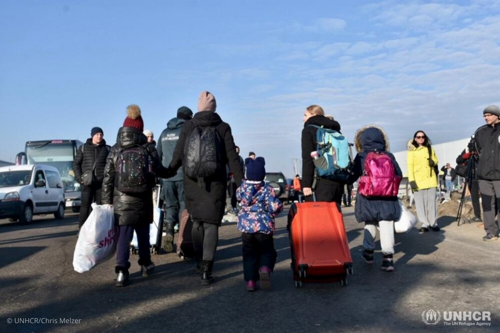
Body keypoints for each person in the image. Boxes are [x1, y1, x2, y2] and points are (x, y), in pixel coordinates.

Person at [165, 91, 244, 285]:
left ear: (199, 106)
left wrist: (165, 172)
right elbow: (232, 158)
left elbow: (178, 156)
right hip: (215, 183)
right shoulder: (223, 127)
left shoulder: (188, 126)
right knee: (211, 225)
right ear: (214, 107)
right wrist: (242, 184)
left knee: (197, 222)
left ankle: (199, 261)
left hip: (191, 182)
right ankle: (207, 270)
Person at [101, 104, 164, 287]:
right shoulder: (147, 147)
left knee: (124, 235)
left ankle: (122, 271)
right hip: (143, 198)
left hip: (121, 200)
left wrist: (106, 202)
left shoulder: (115, 148)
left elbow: (108, 177)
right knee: (143, 233)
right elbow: (158, 171)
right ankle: (145, 264)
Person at [350, 125, 402, 272]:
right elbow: (399, 174)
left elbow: (353, 175)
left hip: (368, 197)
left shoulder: (361, 156)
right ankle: (388, 260)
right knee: (386, 225)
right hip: (387, 197)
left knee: (370, 223)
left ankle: (368, 253)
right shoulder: (389, 156)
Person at [236, 156, 283, 291]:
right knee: (267, 251)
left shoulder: (241, 189)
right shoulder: (267, 189)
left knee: (249, 254)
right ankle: (264, 268)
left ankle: (251, 281)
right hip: (263, 227)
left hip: (246, 228)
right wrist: (273, 212)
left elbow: (238, 200)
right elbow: (274, 207)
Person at [156, 106, 193, 252]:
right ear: (188, 118)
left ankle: (169, 232)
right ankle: (182, 240)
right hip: (183, 176)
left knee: (170, 206)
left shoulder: (164, 133)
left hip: (167, 178)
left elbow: (158, 155)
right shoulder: (186, 132)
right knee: (184, 207)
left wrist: (161, 174)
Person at [301, 105, 343, 203]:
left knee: (317, 216)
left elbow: (307, 158)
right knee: (334, 216)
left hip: (319, 181)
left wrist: (306, 184)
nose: (303, 119)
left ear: (313, 114)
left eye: (305, 115)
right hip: (337, 179)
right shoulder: (334, 129)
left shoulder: (309, 130)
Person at [72, 127, 110, 229]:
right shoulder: (83, 148)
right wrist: (80, 179)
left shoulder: (107, 149)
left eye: (101, 134)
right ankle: (82, 229)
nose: (99, 136)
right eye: (97, 134)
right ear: (92, 135)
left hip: (101, 183)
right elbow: (76, 164)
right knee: (85, 207)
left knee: (99, 208)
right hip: (87, 183)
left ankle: (97, 229)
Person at [474, 105, 500, 241]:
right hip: (484, 176)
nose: (486, 117)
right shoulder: (480, 132)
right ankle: (490, 231)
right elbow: (477, 151)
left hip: (499, 175)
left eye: (489, 115)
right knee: (487, 204)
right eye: (485, 115)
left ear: (497, 115)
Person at [407, 130, 440, 233]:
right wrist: (411, 180)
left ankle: (433, 222)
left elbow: (436, 160)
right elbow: (410, 166)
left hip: (431, 179)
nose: (421, 138)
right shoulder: (411, 152)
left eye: (422, 137)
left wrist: (433, 162)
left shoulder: (430, 149)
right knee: (420, 203)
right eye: (418, 137)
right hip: (418, 180)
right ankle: (424, 223)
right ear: (415, 138)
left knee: (432, 202)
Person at [456, 138, 482, 222]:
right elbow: (458, 160)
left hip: (482, 177)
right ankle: (477, 216)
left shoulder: (482, 149)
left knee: (486, 198)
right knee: (474, 198)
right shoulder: (467, 150)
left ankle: (489, 217)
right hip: (471, 177)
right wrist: (465, 156)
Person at [227, 145, 245, 215]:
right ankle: (232, 206)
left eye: (237, 150)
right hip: (231, 179)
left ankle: (238, 206)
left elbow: (242, 168)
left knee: (239, 193)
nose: (236, 151)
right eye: (235, 149)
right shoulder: (230, 158)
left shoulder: (240, 158)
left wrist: (242, 177)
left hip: (238, 179)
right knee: (232, 194)